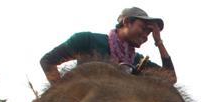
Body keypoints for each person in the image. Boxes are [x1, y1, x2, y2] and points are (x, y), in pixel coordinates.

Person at [40, 7, 175, 84]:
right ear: (127, 22)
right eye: (143, 28)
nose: (146, 35)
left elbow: (170, 78)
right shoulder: (88, 40)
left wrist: (158, 41)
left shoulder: (136, 61)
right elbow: (47, 61)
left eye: (150, 32)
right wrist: (63, 95)